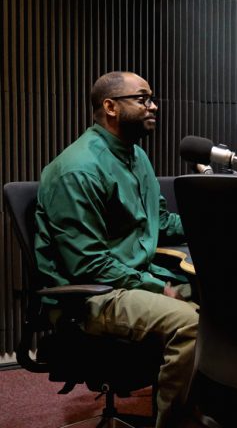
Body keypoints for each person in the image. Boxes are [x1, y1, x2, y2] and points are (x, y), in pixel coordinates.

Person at [34, 71, 198, 428]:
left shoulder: (136, 156)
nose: (153, 106)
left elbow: (160, 222)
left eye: (152, 98)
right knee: (190, 325)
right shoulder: (77, 170)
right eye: (142, 98)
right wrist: (161, 288)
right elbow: (88, 264)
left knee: (228, 307)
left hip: (131, 278)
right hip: (92, 295)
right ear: (110, 106)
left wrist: (217, 224)